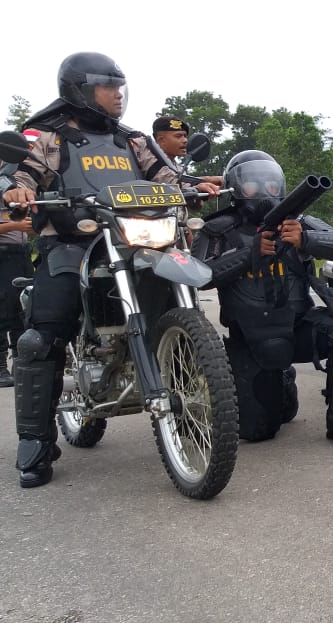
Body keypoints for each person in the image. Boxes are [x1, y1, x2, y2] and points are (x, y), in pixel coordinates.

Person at [2, 52, 219, 488]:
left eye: (120, 87)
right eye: (108, 87)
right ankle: (35, 441)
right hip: (70, 242)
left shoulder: (132, 140)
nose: (118, 95)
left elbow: (167, 176)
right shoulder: (48, 134)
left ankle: (199, 404)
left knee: (177, 301)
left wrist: (194, 187)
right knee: (40, 336)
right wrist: (17, 191)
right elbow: (20, 172)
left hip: (134, 237)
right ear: (80, 90)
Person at [192, 151, 333, 445]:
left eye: (271, 184)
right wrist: (249, 255)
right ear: (236, 187)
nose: (264, 191)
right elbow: (201, 276)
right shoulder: (217, 228)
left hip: (297, 326)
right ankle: (280, 379)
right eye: (252, 184)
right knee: (259, 432)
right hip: (248, 338)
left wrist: (306, 240)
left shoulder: (298, 222)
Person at [0, 131, 37, 388]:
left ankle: (22, 361)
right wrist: (14, 226)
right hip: (2, 254)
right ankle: (1, 366)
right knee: (2, 312)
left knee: (24, 307)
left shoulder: (20, 182)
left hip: (21, 253)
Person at [150, 116, 224, 187]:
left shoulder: (176, 167)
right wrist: (210, 180)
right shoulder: (150, 162)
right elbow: (174, 184)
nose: (185, 140)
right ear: (161, 140)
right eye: (178, 136)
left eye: (185, 136)